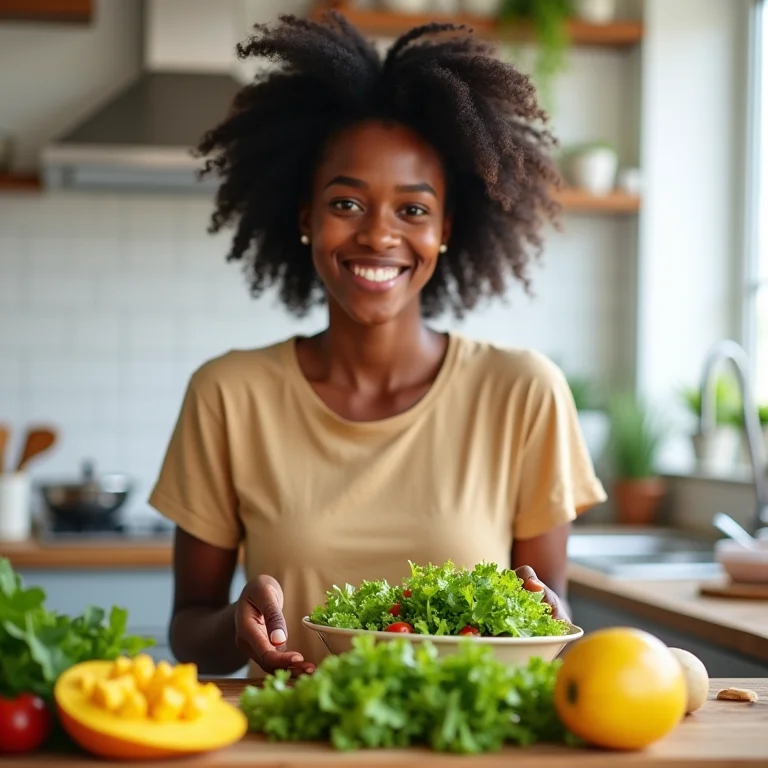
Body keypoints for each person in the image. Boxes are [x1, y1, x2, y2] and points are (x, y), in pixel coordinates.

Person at [149, 11, 606, 679]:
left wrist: (540, 615)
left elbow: (553, 609)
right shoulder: (229, 394)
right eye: (347, 203)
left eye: (413, 210)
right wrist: (237, 622)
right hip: (292, 740)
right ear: (306, 217)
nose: (378, 236)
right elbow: (190, 628)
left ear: (447, 227)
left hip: (466, 747)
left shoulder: (522, 392)